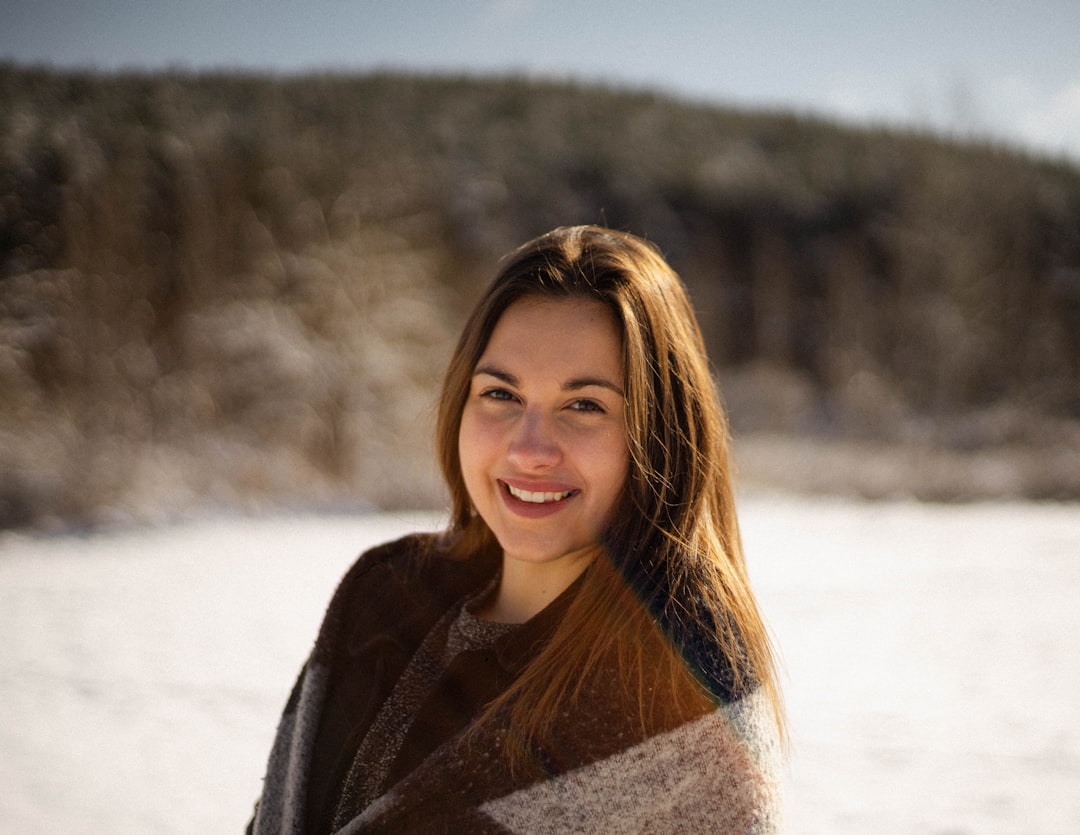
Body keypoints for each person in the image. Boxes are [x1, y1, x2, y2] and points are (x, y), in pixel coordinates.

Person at [249, 225, 785, 834]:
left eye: (584, 405)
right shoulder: (382, 598)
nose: (529, 449)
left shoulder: (684, 692)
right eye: (501, 393)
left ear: (661, 437)